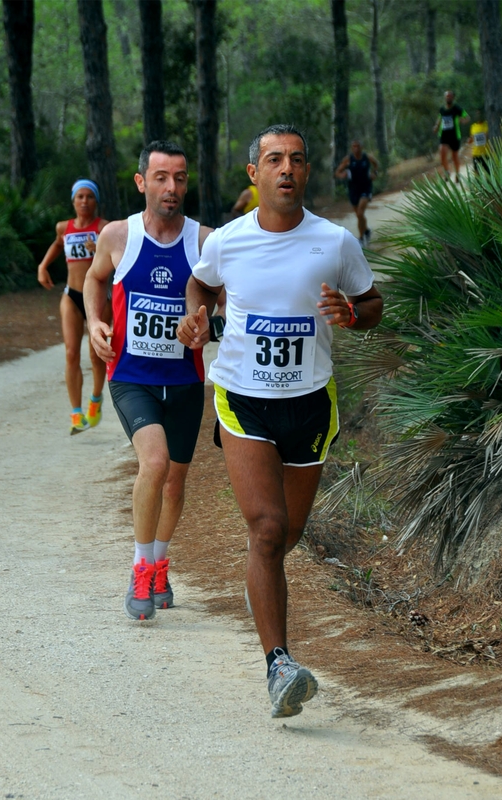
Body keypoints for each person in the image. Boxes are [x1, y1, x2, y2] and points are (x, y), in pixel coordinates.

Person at [177, 124, 383, 718]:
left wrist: (351, 312)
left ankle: (259, 584)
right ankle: (279, 665)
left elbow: (372, 303)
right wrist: (197, 315)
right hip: (242, 398)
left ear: (307, 172)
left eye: (295, 159)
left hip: (311, 404)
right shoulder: (230, 241)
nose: (285, 169)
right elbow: (200, 280)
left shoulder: (335, 242)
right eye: (273, 159)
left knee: (285, 536)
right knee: (267, 530)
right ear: (255, 174)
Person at [83, 141, 213, 620]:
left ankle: (159, 563)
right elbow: (93, 281)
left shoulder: (204, 239)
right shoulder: (118, 236)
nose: (172, 187)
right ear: (141, 182)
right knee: (154, 463)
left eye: (180, 178)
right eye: (161, 177)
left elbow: (217, 294)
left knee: (175, 483)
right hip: (132, 376)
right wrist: (95, 322)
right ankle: (140, 567)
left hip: (183, 379)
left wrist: (203, 322)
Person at [37, 179, 110, 435]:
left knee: (95, 354)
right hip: (71, 295)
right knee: (71, 353)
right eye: (79, 196)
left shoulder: (104, 228)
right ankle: (76, 413)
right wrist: (43, 265)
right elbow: (59, 243)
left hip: (98, 298)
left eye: (89, 196)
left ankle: (96, 399)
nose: (84, 201)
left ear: (96, 200)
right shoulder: (63, 227)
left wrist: (100, 248)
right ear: (73, 200)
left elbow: (118, 256)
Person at [334, 140, 378, 245]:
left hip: (366, 188)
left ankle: (361, 238)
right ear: (351, 148)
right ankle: (366, 230)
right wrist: (342, 175)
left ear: (361, 147)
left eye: (358, 146)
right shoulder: (348, 159)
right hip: (353, 189)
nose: (356, 149)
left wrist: (374, 174)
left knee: (360, 212)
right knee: (359, 215)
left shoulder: (367, 157)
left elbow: (376, 164)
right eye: (354, 147)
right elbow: (337, 172)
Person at [433, 90, 470, 182]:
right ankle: (447, 171)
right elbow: (439, 119)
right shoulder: (442, 109)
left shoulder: (457, 108)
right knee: (442, 153)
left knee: (455, 156)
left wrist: (462, 120)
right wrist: (436, 127)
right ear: (445, 97)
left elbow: (467, 117)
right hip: (444, 135)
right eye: (446, 96)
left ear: (453, 97)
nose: (448, 97)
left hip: (454, 135)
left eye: (450, 96)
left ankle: (457, 174)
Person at [468, 109, 489, 173]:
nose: (478, 115)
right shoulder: (473, 127)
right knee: (476, 173)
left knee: (487, 174)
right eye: (477, 114)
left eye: (480, 114)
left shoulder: (487, 124)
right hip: (476, 154)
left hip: (486, 154)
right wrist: (469, 140)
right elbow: (471, 139)